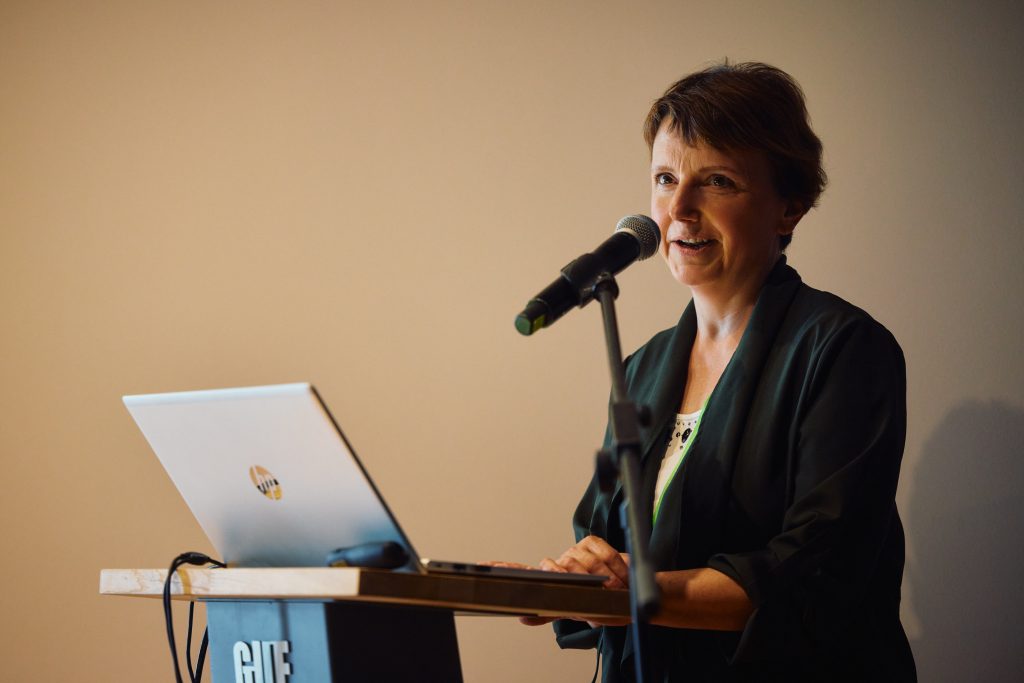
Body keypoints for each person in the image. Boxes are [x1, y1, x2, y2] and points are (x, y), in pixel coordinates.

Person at [527, 62, 917, 681]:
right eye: (665, 178)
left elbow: (815, 570)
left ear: (789, 208)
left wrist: (632, 594)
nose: (679, 209)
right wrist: (572, 578)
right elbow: (604, 542)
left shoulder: (844, 349)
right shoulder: (643, 366)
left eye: (717, 181)